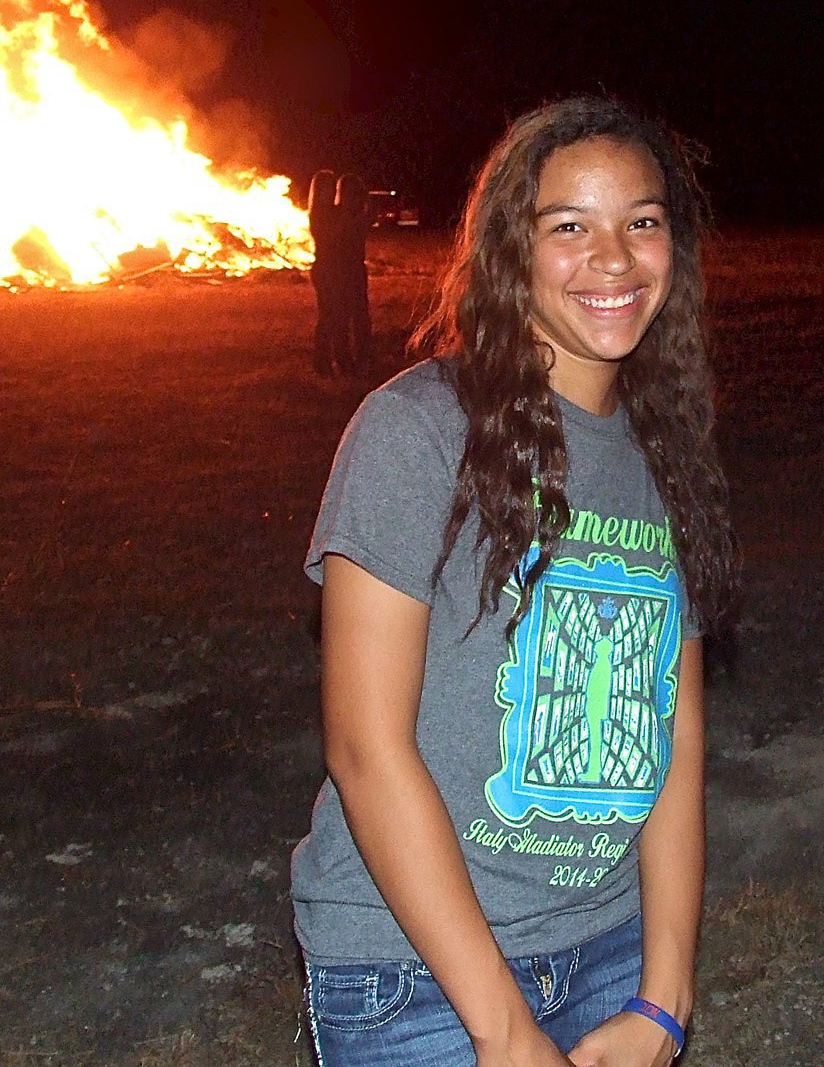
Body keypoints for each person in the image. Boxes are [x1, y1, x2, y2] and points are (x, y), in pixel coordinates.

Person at [292, 95, 740, 1067]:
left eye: (642, 222)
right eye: (568, 226)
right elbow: (363, 747)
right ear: (510, 251)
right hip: (415, 972)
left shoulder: (665, 455)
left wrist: (664, 997)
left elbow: (674, 729)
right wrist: (500, 1027)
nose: (613, 258)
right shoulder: (414, 431)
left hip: (608, 953)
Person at [334, 172, 373, 377]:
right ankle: (344, 359)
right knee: (344, 316)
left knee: (359, 315)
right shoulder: (337, 215)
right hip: (342, 271)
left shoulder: (358, 214)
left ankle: (362, 356)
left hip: (355, 270)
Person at [308, 168, 342, 376]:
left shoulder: (333, 211)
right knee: (327, 316)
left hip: (334, 269)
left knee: (336, 316)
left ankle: (336, 358)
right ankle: (322, 362)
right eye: (328, 188)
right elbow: (329, 238)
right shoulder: (319, 214)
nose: (331, 192)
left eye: (333, 188)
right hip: (325, 269)